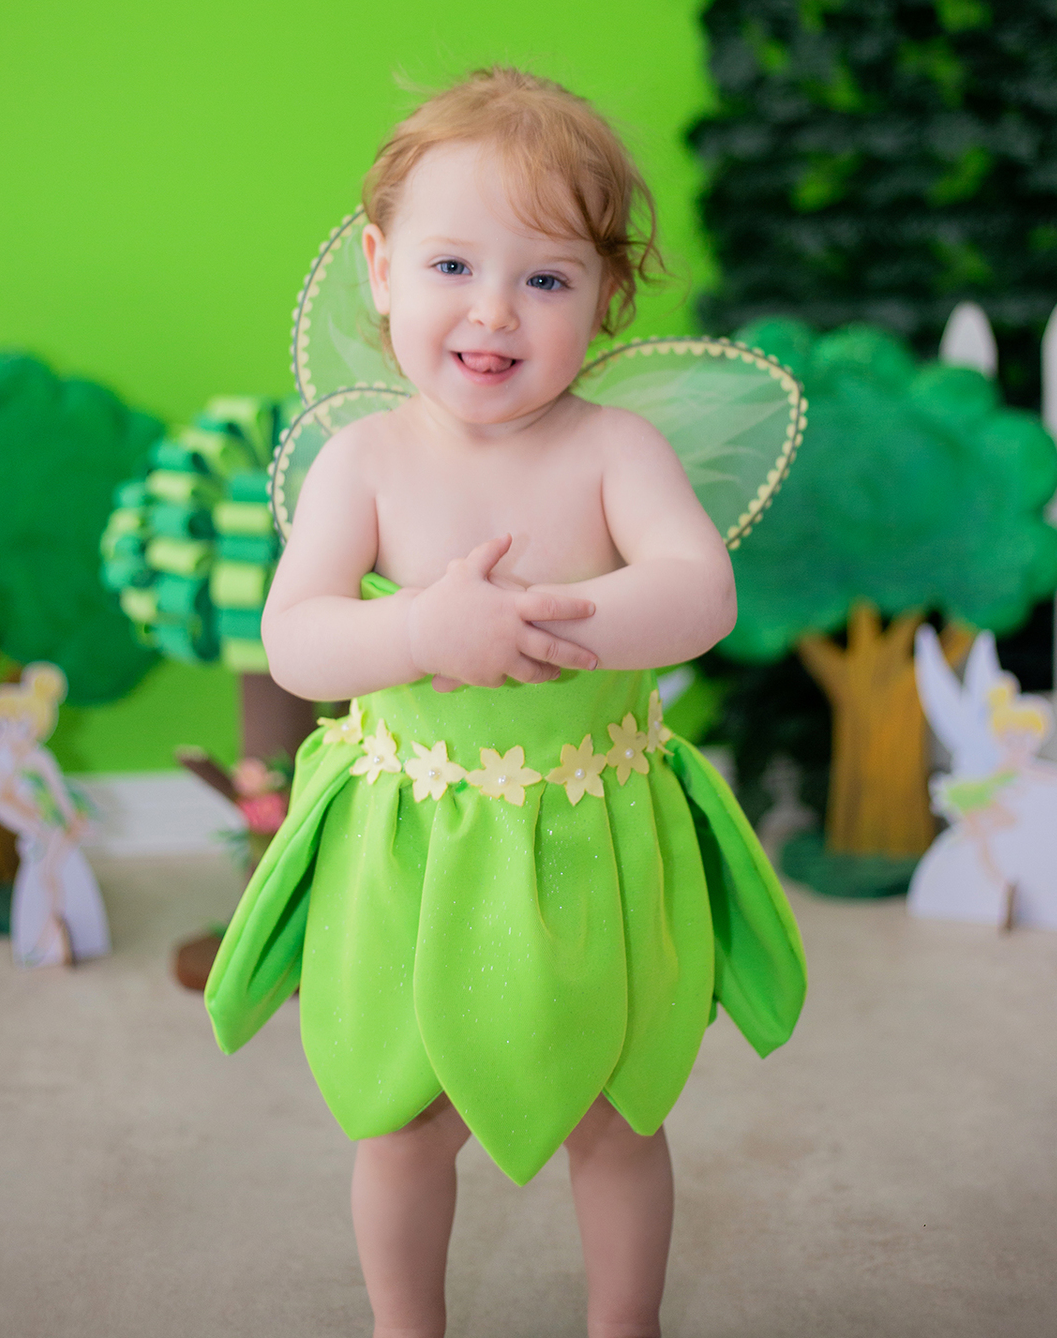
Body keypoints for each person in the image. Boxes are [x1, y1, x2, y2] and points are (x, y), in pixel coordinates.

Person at [206, 67, 806, 1338]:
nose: (495, 311)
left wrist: (558, 625)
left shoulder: (613, 451)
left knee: (617, 1112)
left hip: (587, 844)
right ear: (379, 268)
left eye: (546, 278)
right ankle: (403, 1323)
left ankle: (623, 1321)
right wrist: (425, 627)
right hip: (415, 848)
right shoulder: (362, 460)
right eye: (450, 267)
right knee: (402, 1117)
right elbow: (299, 640)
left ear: (605, 300)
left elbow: (701, 596)